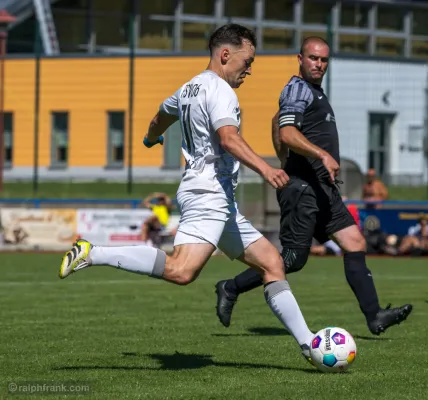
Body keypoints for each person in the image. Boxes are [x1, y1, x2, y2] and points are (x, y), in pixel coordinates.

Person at [58, 24, 316, 363]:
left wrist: (152, 139)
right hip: (208, 193)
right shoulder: (222, 91)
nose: (249, 69)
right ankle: (93, 252)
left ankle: (309, 344)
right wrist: (266, 169)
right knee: (181, 271)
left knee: (271, 263)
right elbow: (228, 138)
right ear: (226, 55)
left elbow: (158, 118)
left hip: (219, 198)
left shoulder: (188, 88)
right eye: (247, 61)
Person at [214, 36, 412, 335]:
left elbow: (277, 122)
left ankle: (374, 317)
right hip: (303, 189)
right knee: (292, 260)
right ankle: (230, 287)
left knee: (355, 243)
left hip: (322, 188)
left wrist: (293, 159)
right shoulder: (298, 88)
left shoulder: (315, 93)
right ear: (300, 59)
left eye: (323, 60)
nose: (318, 64)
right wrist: (318, 156)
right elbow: (287, 130)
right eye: (313, 58)